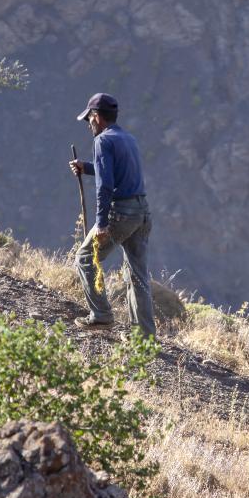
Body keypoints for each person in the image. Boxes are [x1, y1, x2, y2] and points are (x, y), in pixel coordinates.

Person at [69, 92, 156, 337]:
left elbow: (106, 185)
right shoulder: (128, 138)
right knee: (137, 274)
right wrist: (86, 167)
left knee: (85, 257)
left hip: (122, 213)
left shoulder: (103, 141)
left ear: (97, 117)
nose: (89, 125)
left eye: (89, 120)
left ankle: (101, 316)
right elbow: (115, 173)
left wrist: (101, 223)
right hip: (142, 211)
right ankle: (144, 337)